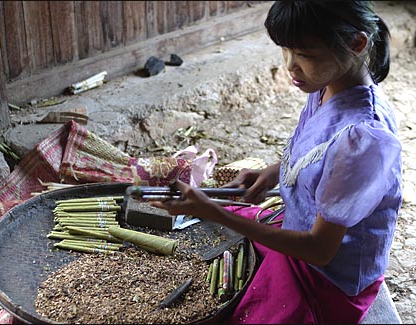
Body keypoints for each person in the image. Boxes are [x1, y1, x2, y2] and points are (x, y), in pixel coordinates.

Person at [151, 1, 402, 324]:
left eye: (304, 55)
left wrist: (212, 211)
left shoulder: (364, 138)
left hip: (327, 278)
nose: (290, 66)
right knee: (215, 223)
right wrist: (273, 174)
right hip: (301, 226)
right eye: (286, 51)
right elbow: (317, 153)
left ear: (356, 44)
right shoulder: (328, 83)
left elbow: (319, 250)